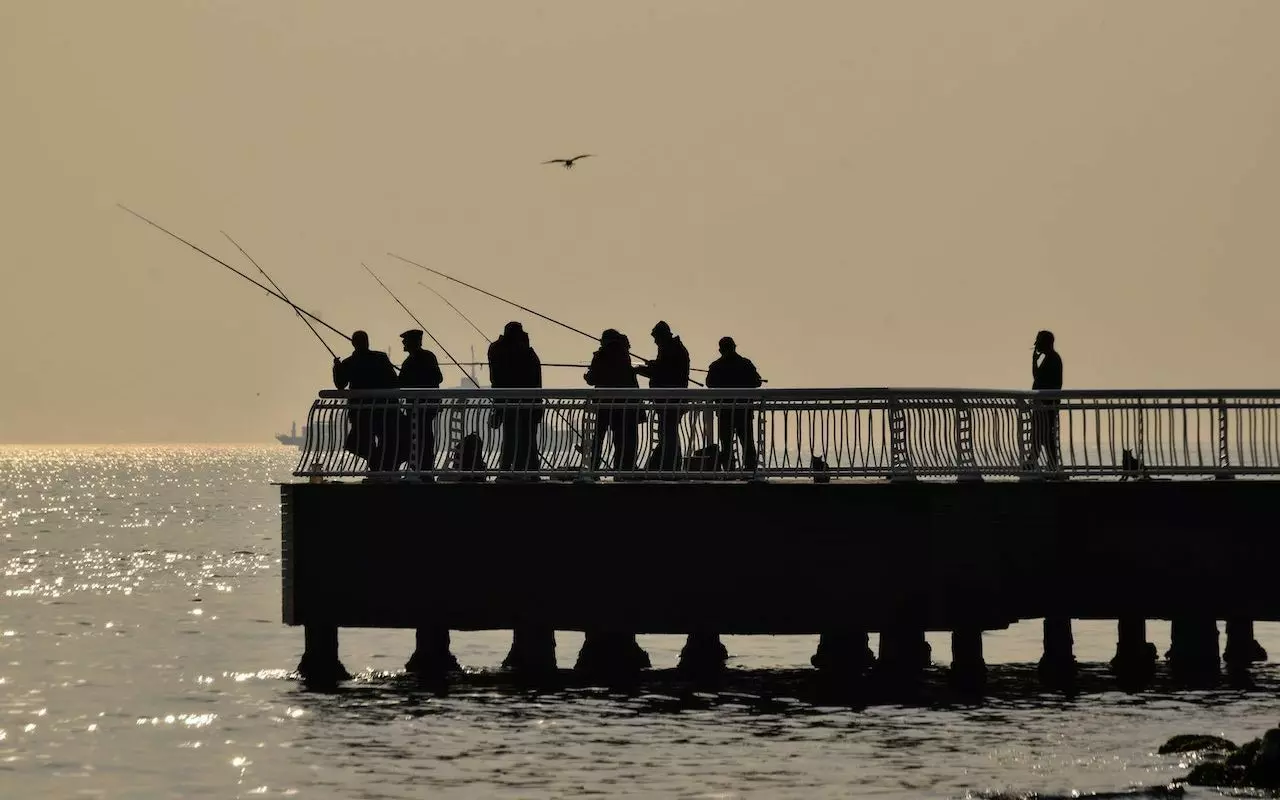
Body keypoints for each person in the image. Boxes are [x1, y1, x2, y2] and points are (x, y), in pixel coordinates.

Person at [333, 330, 398, 471]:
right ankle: (379, 464)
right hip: (383, 408)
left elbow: (340, 384)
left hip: (360, 411)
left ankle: (376, 463)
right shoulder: (380, 358)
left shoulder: (349, 363)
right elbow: (394, 380)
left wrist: (337, 367)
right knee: (385, 440)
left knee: (358, 442)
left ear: (353, 344)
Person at [486, 321, 543, 475]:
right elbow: (535, 379)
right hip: (528, 402)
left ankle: (506, 470)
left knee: (510, 437)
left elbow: (496, 378)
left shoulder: (497, 350)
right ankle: (528, 471)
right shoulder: (527, 353)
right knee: (527, 439)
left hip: (507, 401)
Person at [633, 321, 690, 472]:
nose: (655, 341)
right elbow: (663, 368)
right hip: (671, 400)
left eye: (656, 338)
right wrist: (653, 365)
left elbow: (662, 372)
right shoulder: (674, 348)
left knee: (668, 434)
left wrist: (642, 369)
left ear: (662, 336)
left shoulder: (670, 349)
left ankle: (668, 465)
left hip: (669, 400)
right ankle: (669, 465)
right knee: (668, 433)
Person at [585, 329, 643, 473]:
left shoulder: (601, 355)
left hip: (604, 404)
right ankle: (621, 469)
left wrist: (587, 376)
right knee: (621, 440)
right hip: (625, 406)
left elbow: (592, 379)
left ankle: (593, 469)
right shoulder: (624, 355)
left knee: (598, 438)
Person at [705, 336, 763, 471]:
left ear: (720, 350)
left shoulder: (715, 366)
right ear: (734, 347)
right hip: (744, 410)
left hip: (724, 410)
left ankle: (729, 469)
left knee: (726, 443)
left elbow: (709, 384)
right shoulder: (745, 364)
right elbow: (757, 382)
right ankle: (750, 469)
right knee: (747, 441)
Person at [396, 329, 444, 474]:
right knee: (425, 436)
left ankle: (419, 467)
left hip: (417, 406)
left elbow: (400, 383)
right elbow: (438, 378)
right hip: (430, 405)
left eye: (405, 340)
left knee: (418, 436)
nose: (403, 342)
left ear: (412, 342)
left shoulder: (409, 362)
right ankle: (425, 466)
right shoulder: (429, 357)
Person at [1027, 329, 1063, 470]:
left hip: (1046, 405)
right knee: (1043, 436)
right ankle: (1046, 464)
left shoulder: (1052, 359)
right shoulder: (1051, 358)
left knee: (1044, 436)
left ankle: (1042, 464)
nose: (1037, 345)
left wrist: (1034, 362)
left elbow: (1040, 379)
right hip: (1044, 405)